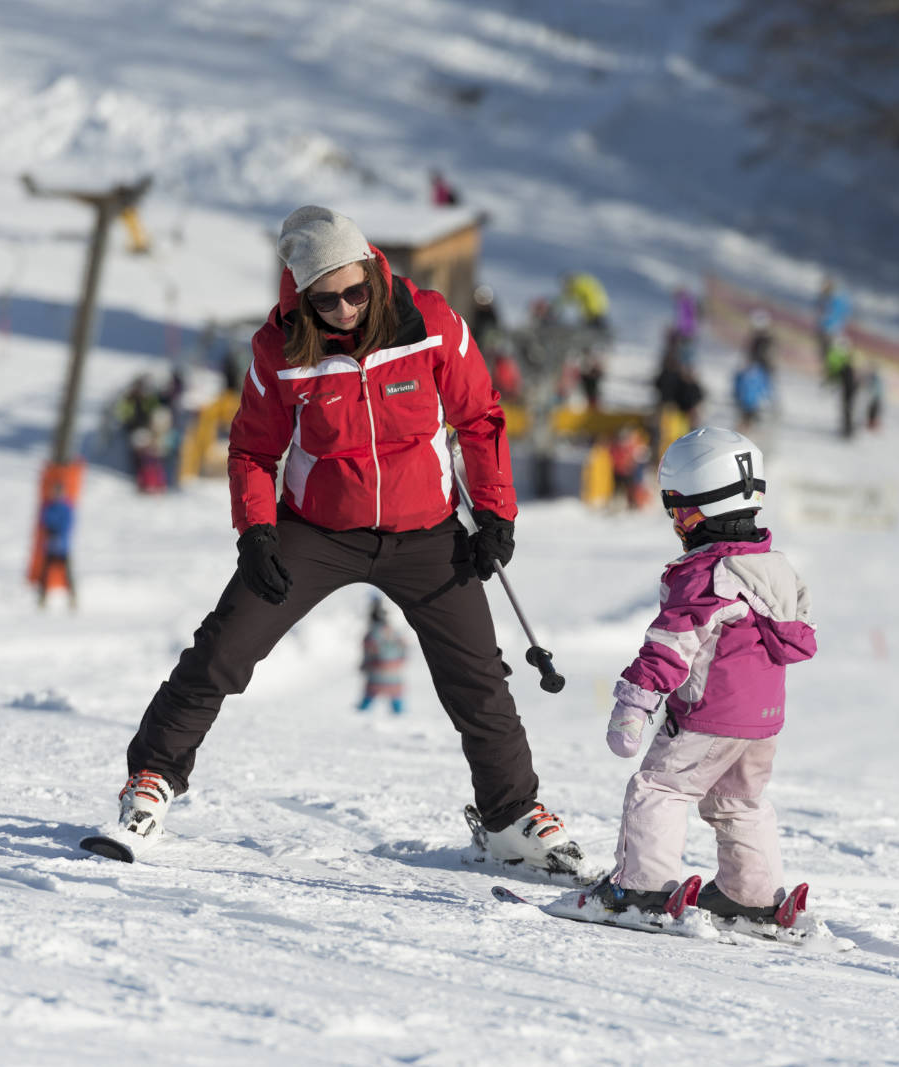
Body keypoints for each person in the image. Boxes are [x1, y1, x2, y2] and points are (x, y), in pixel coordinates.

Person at [114, 205, 588, 879]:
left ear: (371, 269)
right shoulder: (279, 349)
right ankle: (152, 778)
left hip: (425, 529)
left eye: (355, 291)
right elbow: (251, 448)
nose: (343, 308)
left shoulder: (428, 325)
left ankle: (511, 816)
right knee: (225, 647)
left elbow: (480, 417)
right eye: (326, 298)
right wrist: (257, 532)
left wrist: (495, 512)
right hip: (317, 529)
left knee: (477, 676)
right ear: (303, 295)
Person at [571, 427, 817, 924]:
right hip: (763, 723)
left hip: (707, 717)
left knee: (658, 787)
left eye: (678, 510)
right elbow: (802, 634)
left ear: (702, 509)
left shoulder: (706, 576)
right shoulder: (776, 569)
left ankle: (642, 891)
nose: (676, 523)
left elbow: (670, 645)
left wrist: (634, 703)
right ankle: (752, 897)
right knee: (738, 801)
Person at [357, 599, 408, 715]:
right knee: (396, 696)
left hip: (376, 670)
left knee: (369, 695)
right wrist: (400, 660)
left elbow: (367, 654)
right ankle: (401, 715)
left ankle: (360, 712)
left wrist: (363, 666)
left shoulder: (370, 634)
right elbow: (404, 647)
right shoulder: (394, 631)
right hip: (394, 670)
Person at [37, 481, 77, 609]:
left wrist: (58, 533)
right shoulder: (49, 507)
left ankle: (72, 598)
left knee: (67, 573)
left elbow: (67, 525)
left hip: (62, 545)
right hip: (50, 544)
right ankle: (42, 598)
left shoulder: (66, 508)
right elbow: (45, 521)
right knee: (45, 572)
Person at [814, 276, 850, 362]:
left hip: (831, 329)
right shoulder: (829, 298)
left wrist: (828, 326)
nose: (822, 290)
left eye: (824, 287)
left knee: (829, 351)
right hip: (829, 329)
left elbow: (835, 315)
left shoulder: (836, 299)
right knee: (826, 351)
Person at [732, 353, 772, 432]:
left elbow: (763, 388)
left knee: (747, 419)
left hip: (750, 401)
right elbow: (763, 388)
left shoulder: (756, 373)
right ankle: (741, 432)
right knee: (746, 419)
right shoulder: (756, 373)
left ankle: (742, 432)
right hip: (748, 401)